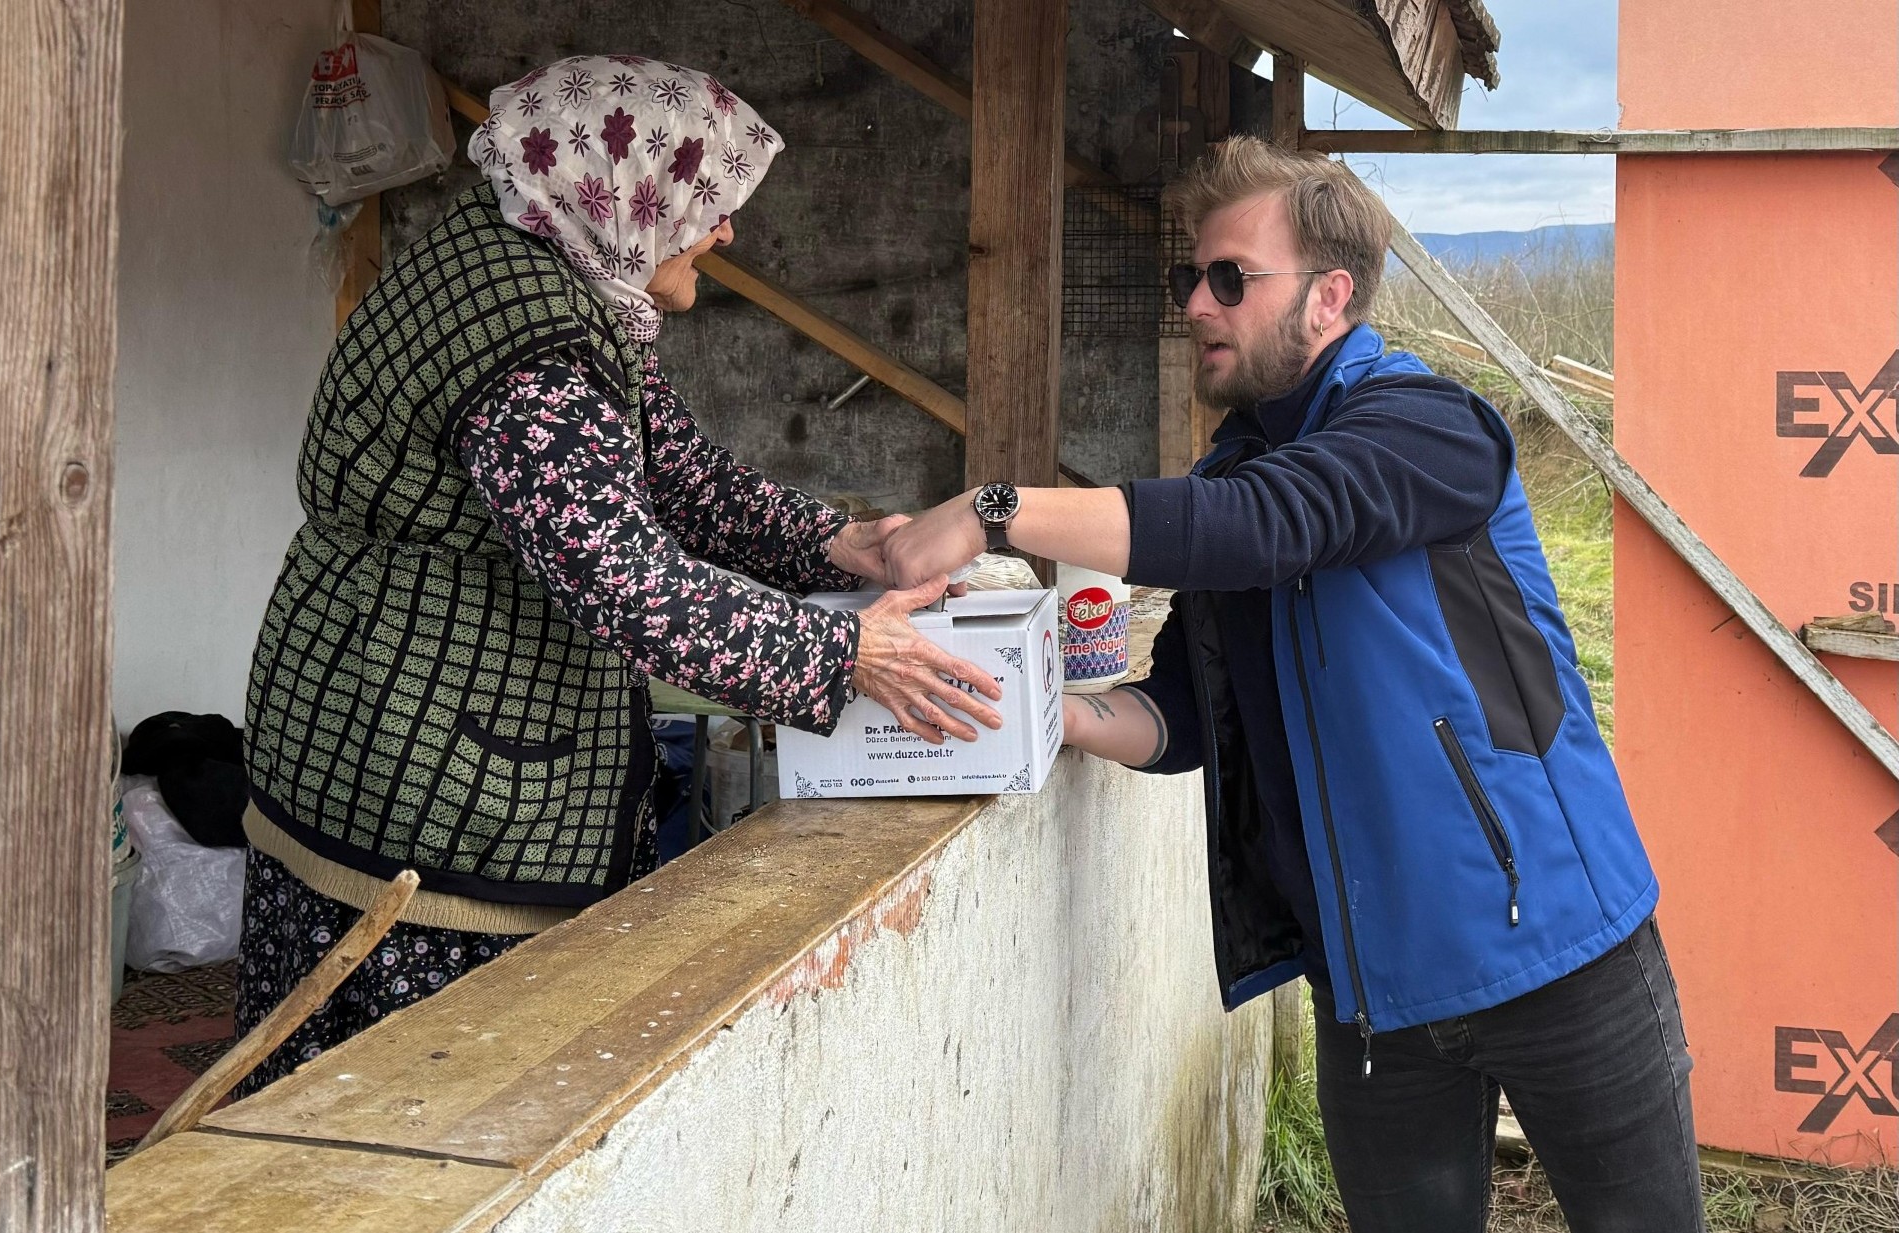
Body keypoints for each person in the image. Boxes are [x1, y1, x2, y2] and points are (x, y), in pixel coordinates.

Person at [882, 137, 1703, 1233]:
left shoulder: (1429, 428)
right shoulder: (1233, 475)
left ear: (1330, 297)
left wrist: (995, 511)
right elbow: (1181, 715)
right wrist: (1030, 708)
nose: (1197, 304)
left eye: (1231, 278)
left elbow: (1274, 524)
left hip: (1557, 950)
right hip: (1373, 999)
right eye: (1192, 277)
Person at [233, 55, 999, 1093]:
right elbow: (627, 582)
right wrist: (846, 649)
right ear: (624, 195)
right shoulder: (529, 353)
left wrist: (839, 545)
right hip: (419, 774)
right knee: (411, 1104)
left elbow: (670, 472)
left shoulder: (551, 268)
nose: (725, 233)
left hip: (375, 710)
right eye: (708, 203)